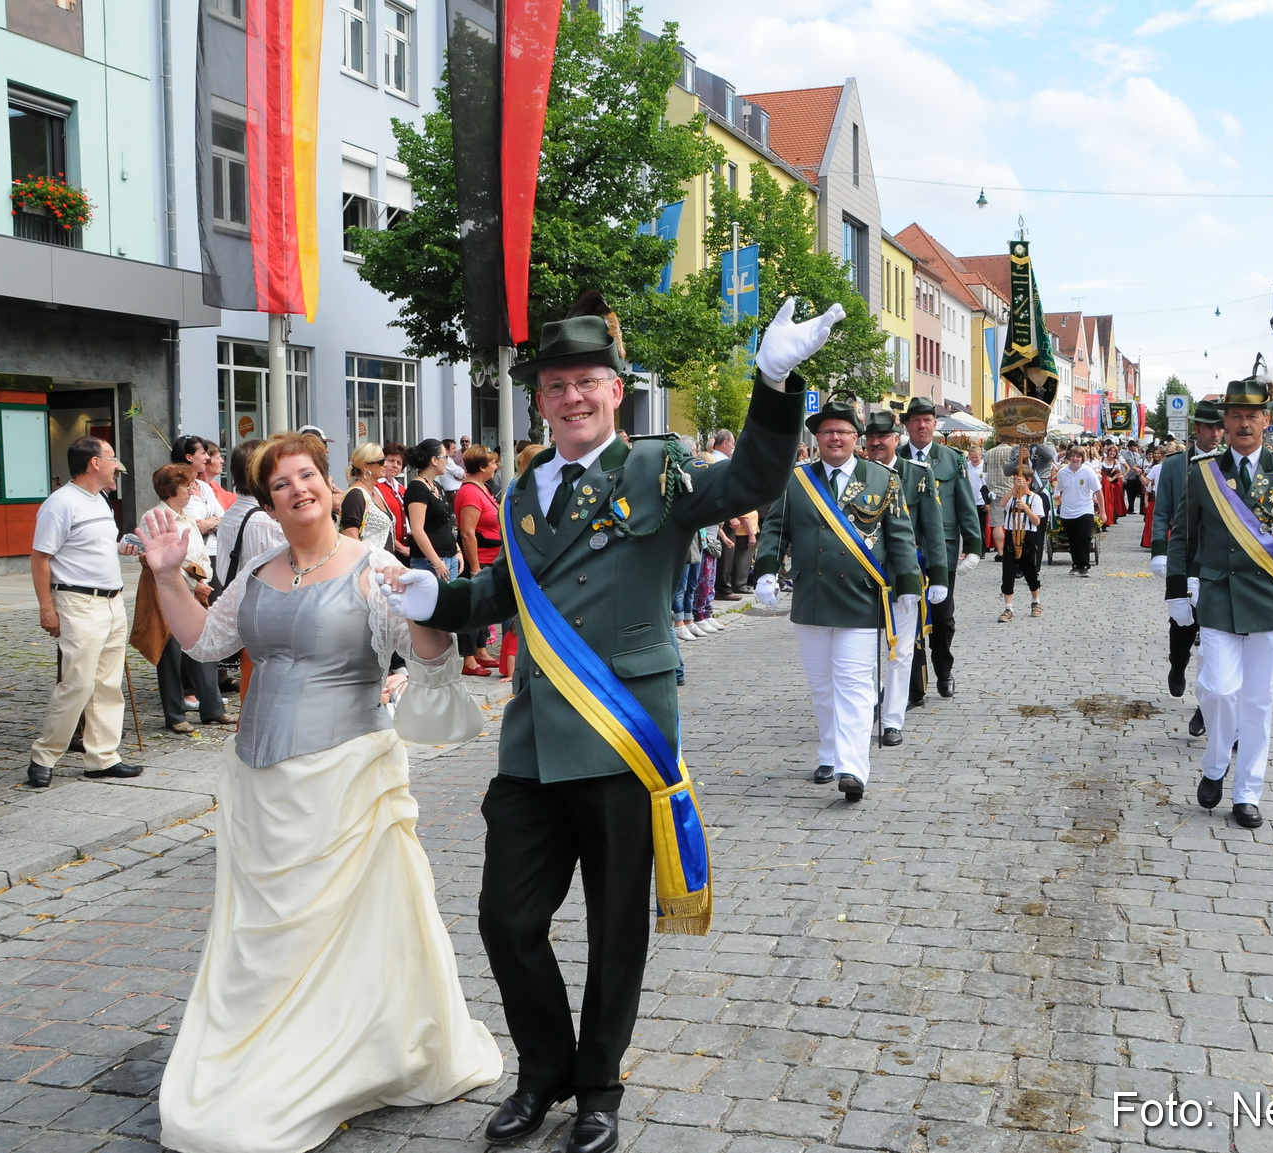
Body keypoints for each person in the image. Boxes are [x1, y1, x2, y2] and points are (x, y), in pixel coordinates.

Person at [381, 296, 840, 1153]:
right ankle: (543, 1067)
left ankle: (597, 1086)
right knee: (505, 919)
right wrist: (436, 595)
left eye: (586, 381)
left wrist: (774, 384)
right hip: (534, 741)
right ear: (540, 401)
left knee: (613, 928)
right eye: (555, 386)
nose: (571, 398)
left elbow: (749, 483)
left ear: (616, 389)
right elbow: (509, 595)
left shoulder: (655, 473)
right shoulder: (522, 490)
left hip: (622, 732)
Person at [142, 433, 501, 1152]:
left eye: (308, 475)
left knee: (346, 923)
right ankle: (265, 1044)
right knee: (264, 931)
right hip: (258, 784)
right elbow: (204, 640)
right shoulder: (258, 569)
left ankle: (344, 1050)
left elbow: (426, 652)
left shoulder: (373, 563)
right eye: (281, 483)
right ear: (268, 501)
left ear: (331, 487)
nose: (298, 489)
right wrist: (167, 574)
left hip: (345, 776)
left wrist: (428, 610)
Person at [1165, 374, 1273, 830]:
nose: (1244, 424)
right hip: (1217, 596)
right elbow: (1184, 536)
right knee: (1217, 689)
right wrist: (1178, 588)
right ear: (1225, 422)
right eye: (1236, 416)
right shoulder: (1203, 470)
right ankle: (1215, 763)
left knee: (1258, 702)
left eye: (1253, 416)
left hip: (1272, 600)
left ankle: (1247, 791)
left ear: (1266, 421)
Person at [757, 399, 920, 801]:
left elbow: (899, 536)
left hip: (858, 598)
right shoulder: (796, 480)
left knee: (854, 684)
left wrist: (909, 588)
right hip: (812, 596)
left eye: (843, 431)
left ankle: (852, 766)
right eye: (827, 431)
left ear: (856, 439)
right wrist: (765, 570)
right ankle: (829, 752)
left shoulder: (883, 479)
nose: (834, 438)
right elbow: (776, 528)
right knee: (822, 685)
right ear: (817, 438)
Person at [27, 437, 141, 788]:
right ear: (94, 463)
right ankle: (44, 755)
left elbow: (97, 546)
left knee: (108, 684)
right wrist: (47, 609)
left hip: (111, 601)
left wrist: (124, 548)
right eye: (111, 459)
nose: (115, 466)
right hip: (78, 602)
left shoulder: (101, 500)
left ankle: (102, 756)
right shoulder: (60, 504)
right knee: (76, 683)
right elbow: (40, 558)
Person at [861, 409, 946, 749]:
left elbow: (933, 529)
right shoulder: (857, 474)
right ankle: (864, 710)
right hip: (863, 577)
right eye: (871, 438)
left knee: (900, 653)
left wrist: (938, 575)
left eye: (883, 437)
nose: (876, 443)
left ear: (897, 439)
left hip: (904, 577)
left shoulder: (917, 475)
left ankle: (893, 720)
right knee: (860, 653)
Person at [133, 464, 235, 736]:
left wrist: (202, 579)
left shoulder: (186, 518)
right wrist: (193, 583)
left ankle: (212, 708)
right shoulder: (155, 517)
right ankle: (174, 713)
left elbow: (200, 554)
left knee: (203, 645)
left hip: (194, 589)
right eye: (187, 486)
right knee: (172, 653)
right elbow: (162, 561)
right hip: (168, 593)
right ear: (171, 489)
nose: (192, 491)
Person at [901, 398, 982, 703]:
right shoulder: (897, 460)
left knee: (942, 618)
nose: (922, 425)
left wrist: (973, 545)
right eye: (916, 420)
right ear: (906, 425)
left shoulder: (951, 460)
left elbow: (965, 504)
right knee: (907, 617)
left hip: (943, 551)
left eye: (927, 420)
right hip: (906, 550)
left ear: (935, 425)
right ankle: (914, 686)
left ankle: (943, 671)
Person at [1151, 401, 1223, 736]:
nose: (1215, 433)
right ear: (1196, 429)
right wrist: (1160, 552)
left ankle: (1205, 709)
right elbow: (1162, 511)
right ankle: (1177, 664)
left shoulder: (1227, 464)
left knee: (1215, 640)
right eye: (1209, 427)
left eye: (1220, 427)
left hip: (1216, 561)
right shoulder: (1176, 465)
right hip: (1183, 553)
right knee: (1182, 625)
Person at [454, 445, 503, 675]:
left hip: (490, 558)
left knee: (484, 609)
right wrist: (474, 567)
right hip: (479, 559)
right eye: (493, 463)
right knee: (472, 610)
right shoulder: (470, 492)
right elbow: (467, 532)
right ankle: (469, 659)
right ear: (482, 467)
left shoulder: (482, 488)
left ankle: (481, 651)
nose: (496, 466)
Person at [404, 439, 463, 581]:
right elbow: (417, 530)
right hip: (429, 561)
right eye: (445, 457)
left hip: (449, 557)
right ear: (434, 460)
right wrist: (436, 563)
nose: (447, 461)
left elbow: (445, 523)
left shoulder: (436, 485)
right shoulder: (417, 488)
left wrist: (457, 550)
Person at [996, 466, 1044, 621]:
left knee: (1030, 570)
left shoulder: (1035, 498)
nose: (1017, 481)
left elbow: (1036, 521)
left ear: (1028, 480)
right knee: (1008, 572)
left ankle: (1035, 601)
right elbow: (1002, 504)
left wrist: (1026, 508)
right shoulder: (1012, 496)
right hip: (1011, 535)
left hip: (1027, 536)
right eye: (1015, 479)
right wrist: (1014, 489)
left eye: (1020, 479)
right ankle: (1008, 608)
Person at [172, 435, 225, 564]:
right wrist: (216, 522)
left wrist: (211, 523)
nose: (207, 457)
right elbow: (197, 527)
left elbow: (225, 518)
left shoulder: (204, 487)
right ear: (189, 457)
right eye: (203, 453)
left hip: (216, 552)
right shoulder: (179, 489)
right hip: (194, 556)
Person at [1054, 445, 1103, 577]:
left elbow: (1098, 491)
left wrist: (1103, 511)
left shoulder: (1088, 471)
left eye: (1078, 456)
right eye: (1073, 456)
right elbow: (1058, 489)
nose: (1075, 459)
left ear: (1082, 458)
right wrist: (1057, 496)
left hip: (1085, 508)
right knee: (1073, 539)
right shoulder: (1063, 472)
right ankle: (1075, 564)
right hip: (1068, 510)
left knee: (1085, 537)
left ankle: (1084, 565)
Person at [339, 442, 397, 553]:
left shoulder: (376, 491)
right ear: (365, 466)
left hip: (385, 564)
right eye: (381, 461)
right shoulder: (355, 495)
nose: (385, 464)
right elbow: (350, 535)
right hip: (369, 564)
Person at [376, 442, 411, 561]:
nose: (395, 465)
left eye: (399, 463)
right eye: (391, 461)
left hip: (407, 548)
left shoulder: (402, 489)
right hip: (388, 550)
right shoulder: (375, 487)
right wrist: (401, 548)